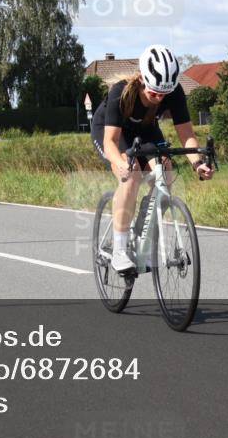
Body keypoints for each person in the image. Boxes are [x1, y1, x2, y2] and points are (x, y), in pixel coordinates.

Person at [90, 45, 214, 274]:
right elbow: (110, 142)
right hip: (111, 132)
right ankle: (119, 250)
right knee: (132, 175)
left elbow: (186, 134)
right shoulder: (122, 92)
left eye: (164, 94)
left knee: (165, 170)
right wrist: (121, 165)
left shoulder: (173, 92)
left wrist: (198, 163)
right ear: (142, 80)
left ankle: (141, 231)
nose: (159, 99)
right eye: (154, 93)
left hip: (145, 130)